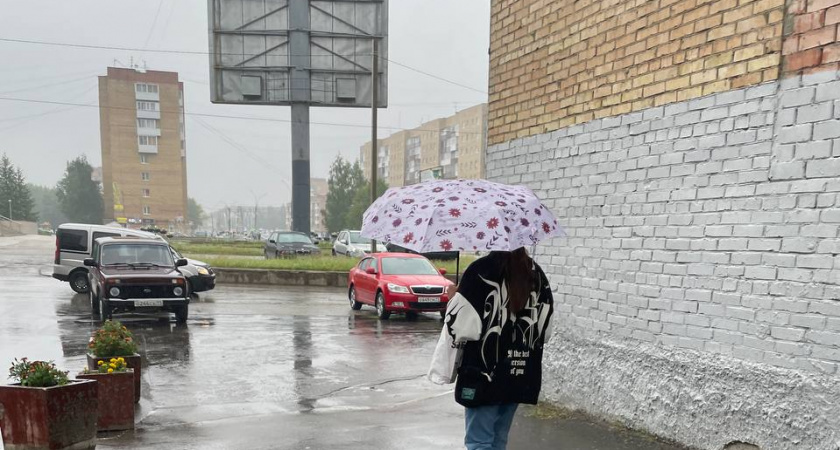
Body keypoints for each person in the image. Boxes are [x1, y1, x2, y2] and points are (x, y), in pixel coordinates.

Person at [432, 247, 554, 450]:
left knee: (479, 442)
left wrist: (453, 299)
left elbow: (462, 328)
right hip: (520, 372)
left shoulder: (480, 270)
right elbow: (545, 332)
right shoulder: (535, 273)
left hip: (483, 373)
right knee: (498, 439)